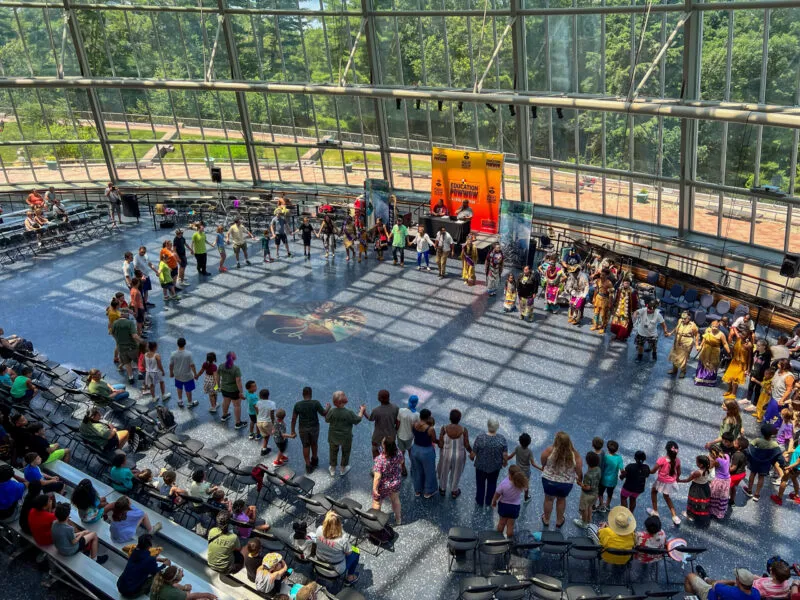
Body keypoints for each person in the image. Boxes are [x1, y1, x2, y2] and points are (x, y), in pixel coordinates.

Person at [540, 431, 582, 528]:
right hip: (565, 484)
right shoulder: (575, 455)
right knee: (561, 500)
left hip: (549, 481)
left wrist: (543, 466)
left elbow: (543, 460)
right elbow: (579, 469)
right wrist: (580, 478)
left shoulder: (550, 450)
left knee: (548, 499)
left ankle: (546, 519)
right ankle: (559, 521)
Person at [326, 391, 366, 477]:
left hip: (333, 436)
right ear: (344, 401)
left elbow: (327, 420)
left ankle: (332, 469)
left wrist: (328, 409)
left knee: (333, 451)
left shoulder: (332, 411)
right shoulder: (349, 412)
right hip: (346, 437)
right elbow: (357, 420)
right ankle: (343, 469)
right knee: (345, 452)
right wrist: (361, 411)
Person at [291, 386, 330, 474]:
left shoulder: (297, 405)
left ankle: (308, 465)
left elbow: (293, 419)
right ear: (311, 394)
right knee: (314, 443)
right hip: (314, 428)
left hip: (303, 429)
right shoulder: (315, 403)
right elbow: (324, 413)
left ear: (303, 394)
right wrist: (328, 407)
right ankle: (315, 459)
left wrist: (293, 431)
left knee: (305, 446)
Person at [471, 418, 509, 509]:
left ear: (488, 425)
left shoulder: (480, 438)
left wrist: (471, 457)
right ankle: (489, 501)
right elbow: (505, 455)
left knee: (480, 484)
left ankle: (479, 500)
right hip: (495, 467)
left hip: (480, 466)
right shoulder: (501, 439)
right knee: (492, 483)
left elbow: (473, 454)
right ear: (497, 427)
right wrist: (505, 463)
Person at [117, 534, 170, 598]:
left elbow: (141, 561)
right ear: (149, 546)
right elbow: (156, 571)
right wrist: (165, 565)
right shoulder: (150, 559)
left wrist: (157, 559)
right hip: (131, 592)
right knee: (156, 577)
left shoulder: (134, 551)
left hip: (120, 585)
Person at [743, 424, 786, 502]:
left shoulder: (757, 440)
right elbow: (779, 456)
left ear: (762, 432)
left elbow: (749, 449)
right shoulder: (774, 444)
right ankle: (756, 494)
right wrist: (782, 464)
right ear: (772, 434)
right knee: (761, 477)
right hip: (765, 464)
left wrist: (747, 457)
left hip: (755, 462)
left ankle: (749, 490)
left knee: (752, 474)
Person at [315, 511, 359, 586]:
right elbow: (349, 553)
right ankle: (350, 577)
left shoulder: (319, 530)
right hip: (334, 571)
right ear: (338, 524)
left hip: (319, 566)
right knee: (356, 554)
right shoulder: (342, 539)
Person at [437, 409, 471, 499]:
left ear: (450, 418)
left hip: (446, 455)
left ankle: (442, 489)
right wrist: (472, 452)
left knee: (444, 471)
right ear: (459, 419)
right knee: (456, 473)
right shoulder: (464, 430)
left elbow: (440, 445)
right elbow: (467, 444)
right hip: (459, 456)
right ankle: (454, 491)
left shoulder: (444, 428)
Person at [648, 441, 682, 526]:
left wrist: (646, 470)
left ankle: (655, 511)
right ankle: (674, 516)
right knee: (667, 497)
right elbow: (679, 472)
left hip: (661, 481)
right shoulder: (677, 460)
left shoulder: (662, 460)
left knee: (653, 492)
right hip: (670, 482)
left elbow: (653, 471)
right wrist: (676, 478)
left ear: (666, 450)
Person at [372, 437, 403, 524]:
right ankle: (398, 519)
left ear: (385, 447)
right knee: (395, 499)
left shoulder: (380, 460)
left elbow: (377, 477)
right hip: (395, 482)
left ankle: (375, 522)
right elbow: (401, 462)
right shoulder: (398, 453)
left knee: (377, 502)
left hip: (383, 485)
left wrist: (374, 489)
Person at [491, 465, 528, 538]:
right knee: (510, 525)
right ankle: (509, 540)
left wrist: (494, 501)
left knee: (501, 523)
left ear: (509, 473)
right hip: (515, 507)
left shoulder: (504, 483)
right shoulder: (520, 483)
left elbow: (497, 494)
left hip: (504, 506)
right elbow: (526, 489)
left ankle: (498, 538)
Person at [684, 567, 761, 600]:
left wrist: (733, 582)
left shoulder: (730, 592)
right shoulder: (756, 594)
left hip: (709, 595)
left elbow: (715, 584)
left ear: (739, 582)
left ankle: (693, 596)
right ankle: (705, 578)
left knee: (690, 576)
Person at [411, 408, 438, 498]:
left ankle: (417, 491)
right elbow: (434, 440)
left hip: (415, 449)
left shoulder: (414, 424)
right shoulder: (430, 429)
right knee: (429, 471)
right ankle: (428, 492)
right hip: (426, 451)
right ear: (428, 417)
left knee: (417, 470)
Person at [723, 321, 754, 399]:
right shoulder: (738, 339)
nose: (741, 335)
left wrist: (748, 369)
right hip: (734, 361)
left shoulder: (749, 345)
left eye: (743, 335)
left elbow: (750, 357)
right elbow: (734, 348)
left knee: (735, 380)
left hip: (742, 364)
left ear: (747, 336)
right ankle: (729, 390)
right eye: (741, 334)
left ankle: (733, 394)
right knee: (729, 377)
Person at [149, 564, 218, 600]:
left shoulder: (159, 581)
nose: (183, 575)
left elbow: (175, 586)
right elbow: (192, 596)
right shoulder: (173, 593)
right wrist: (208, 595)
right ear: (174, 580)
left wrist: (184, 587)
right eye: (182, 575)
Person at [679, 454, 713, 526]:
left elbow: (687, 480)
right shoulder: (707, 468)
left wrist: (679, 480)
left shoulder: (698, 472)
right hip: (705, 487)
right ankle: (699, 515)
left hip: (697, 488)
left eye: (697, 462)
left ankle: (691, 515)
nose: (696, 463)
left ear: (700, 465)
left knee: (693, 501)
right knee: (700, 502)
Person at [696, 321, 731, 386]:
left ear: (718, 327)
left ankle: (709, 381)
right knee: (703, 364)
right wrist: (700, 346)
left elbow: (725, 343)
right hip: (706, 350)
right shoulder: (708, 331)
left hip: (715, 351)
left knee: (712, 365)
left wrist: (729, 351)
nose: (714, 328)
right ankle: (700, 379)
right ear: (711, 326)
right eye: (713, 326)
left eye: (716, 327)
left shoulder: (721, 334)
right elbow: (704, 340)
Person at [366, 390, 399, 459]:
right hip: (391, 435)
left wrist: (363, 412)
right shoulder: (395, 408)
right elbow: (397, 421)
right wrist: (395, 430)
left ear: (379, 399)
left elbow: (370, 419)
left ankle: (377, 465)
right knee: (390, 450)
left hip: (378, 436)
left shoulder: (376, 410)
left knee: (375, 449)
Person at [218, 352, 247, 430]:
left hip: (224, 388)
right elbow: (238, 381)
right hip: (234, 390)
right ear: (234, 358)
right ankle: (238, 423)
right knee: (237, 405)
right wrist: (241, 392)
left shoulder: (221, 366)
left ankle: (224, 415)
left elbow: (217, 376)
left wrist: (218, 386)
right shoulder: (236, 369)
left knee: (226, 401)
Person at [574, 451, 602, 529]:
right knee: (590, 506)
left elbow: (587, 487)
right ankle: (589, 519)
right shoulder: (598, 469)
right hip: (595, 493)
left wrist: (580, 484)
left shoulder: (588, 475)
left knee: (584, 509)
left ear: (587, 462)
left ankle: (584, 522)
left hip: (587, 495)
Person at [668, 312, 700, 377]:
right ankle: (674, 370)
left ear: (689, 318)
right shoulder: (680, 321)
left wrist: (697, 345)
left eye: (685, 319)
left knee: (683, 358)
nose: (683, 320)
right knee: (675, 355)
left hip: (687, 342)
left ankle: (683, 371)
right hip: (677, 341)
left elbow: (697, 335)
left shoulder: (693, 325)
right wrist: (670, 333)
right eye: (682, 318)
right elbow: (676, 328)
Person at [743, 340, 772, 411]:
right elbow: (752, 361)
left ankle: (755, 404)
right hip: (753, 372)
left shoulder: (766, 356)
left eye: (759, 346)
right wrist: (749, 370)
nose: (757, 347)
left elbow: (765, 367)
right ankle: (748, 399)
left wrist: (758, 377)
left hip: (760, 375)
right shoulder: (756, 352)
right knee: (750, 386)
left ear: (764, 347)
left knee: (757, 390)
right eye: (757, 345)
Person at [507, 433, 537, 502]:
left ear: (520, 441)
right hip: (526, 472)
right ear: (529, 442)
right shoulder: (529, 452)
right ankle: (526, 497)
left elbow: (510, 456)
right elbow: (533, 463)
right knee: (526, 484)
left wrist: (504, 460)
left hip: (517, 471)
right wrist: (541, 468)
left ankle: (513, 496)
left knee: (515, 482)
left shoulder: (517, 448)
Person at [169, 337, 197, 409]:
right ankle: (189, 402)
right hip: (187, 376)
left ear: (177, 344)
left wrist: (171, 373)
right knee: (188, 389)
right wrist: (195, 374)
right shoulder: (188, 354)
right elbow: (192, 365)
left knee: (179, 387)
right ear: (185, 344)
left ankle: (180, 400)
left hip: (177, 375)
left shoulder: (173, 354)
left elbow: (171, 365)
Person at [396, 395, 419, 478]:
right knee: (410, 451)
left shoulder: (401, 411)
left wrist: (396, 431)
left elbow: (398, 424)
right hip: (410, 437)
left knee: (401, 453)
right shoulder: (417, 415)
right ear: (416, 403)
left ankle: (403, 468)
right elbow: (416, 428)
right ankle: (413, 467)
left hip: (400, 435)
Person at [599, 440, 624, 512]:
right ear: (617, 449)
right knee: (610, 493)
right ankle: (607, 505)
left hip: (603, 479)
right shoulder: (619, 458)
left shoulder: (605, 457)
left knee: (600, 492)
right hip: (612, 481)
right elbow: (622, 469)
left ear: (608, 449)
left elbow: (601, 467)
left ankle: (601, 504)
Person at [708, 445, 731, 518]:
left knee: (714, 495)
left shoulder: (717, 461)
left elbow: (709, 467)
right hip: (727, 480)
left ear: (713, 453)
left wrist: (710, 459)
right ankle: (720, 512)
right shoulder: (727, 456)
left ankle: (712, 511)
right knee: (722, 497)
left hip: (719, 481)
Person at [590, 269, 615, 334]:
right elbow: (596, 290)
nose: (601, 276)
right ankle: (595, 325)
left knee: (603, 315)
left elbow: (611, 294)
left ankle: (602, 327)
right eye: (601, 274)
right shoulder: (598, 281)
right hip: (598, 298)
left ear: (607, 275)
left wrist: (610, 303)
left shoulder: (609, 283)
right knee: (596, 313)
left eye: (603, 275)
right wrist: (594, 298)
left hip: (605, 300)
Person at [255, 388, 275, 456]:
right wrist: (273, 423)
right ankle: (281, 443)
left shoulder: (258, 403)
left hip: (259, 422)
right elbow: (272, 415)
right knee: (275, 433)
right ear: (268, 395)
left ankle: (264, 449)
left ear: (260, 396)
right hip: (267, 422)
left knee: (266, 436)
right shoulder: (272, 403)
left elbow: (257, 411)